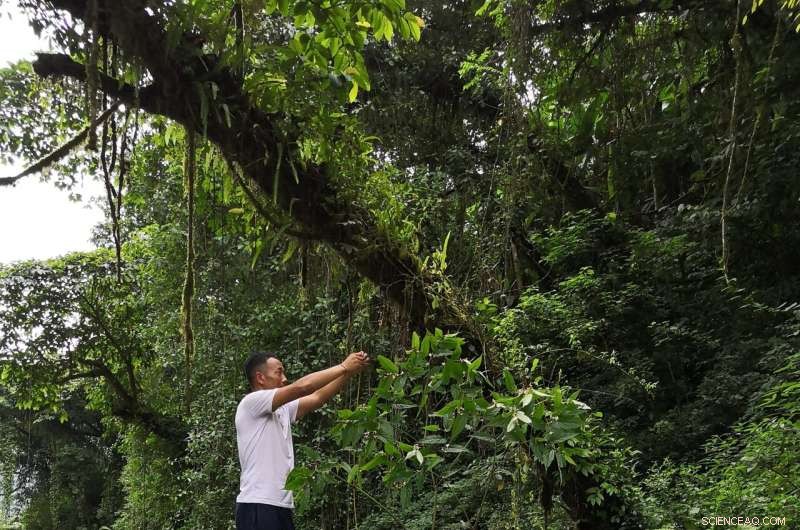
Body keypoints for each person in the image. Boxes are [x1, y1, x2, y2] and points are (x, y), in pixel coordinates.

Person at [235, 350, 370, 530]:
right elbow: (303, 387)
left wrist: (348, 372)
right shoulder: (251, 403)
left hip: (279, 506)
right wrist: (343, 366)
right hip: (258, 504)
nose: (284, 378)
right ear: (260, 378)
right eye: (279, 372)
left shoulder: (282, 409)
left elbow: (317, 397)